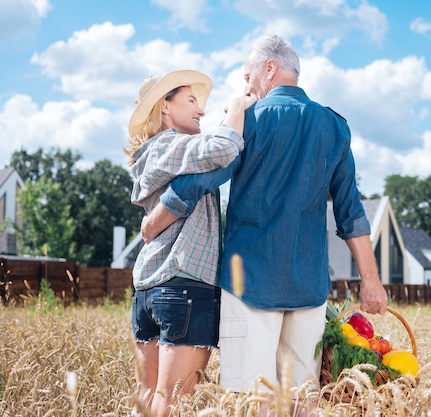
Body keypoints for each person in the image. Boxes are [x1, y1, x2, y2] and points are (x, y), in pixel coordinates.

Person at [141, 35, 388, 416]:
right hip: (308, 286)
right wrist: (370, 280)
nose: (246, 88)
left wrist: (156, 218)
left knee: (254, 401)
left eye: (247, 77)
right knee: (302, 397)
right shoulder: (335, 127)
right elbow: (350, 211)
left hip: (249, 283)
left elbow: (202, 178)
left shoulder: (248, 120)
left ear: (269, 69)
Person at [125, 69, 256, 417]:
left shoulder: (159, 154)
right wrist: (238, 107)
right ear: (164, 108)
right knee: (172, 400)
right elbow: (225, 147)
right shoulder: (170, 145)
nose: (201, 110)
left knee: (149, 395)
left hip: (150, 290)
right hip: (184, 286)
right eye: (191, 100)